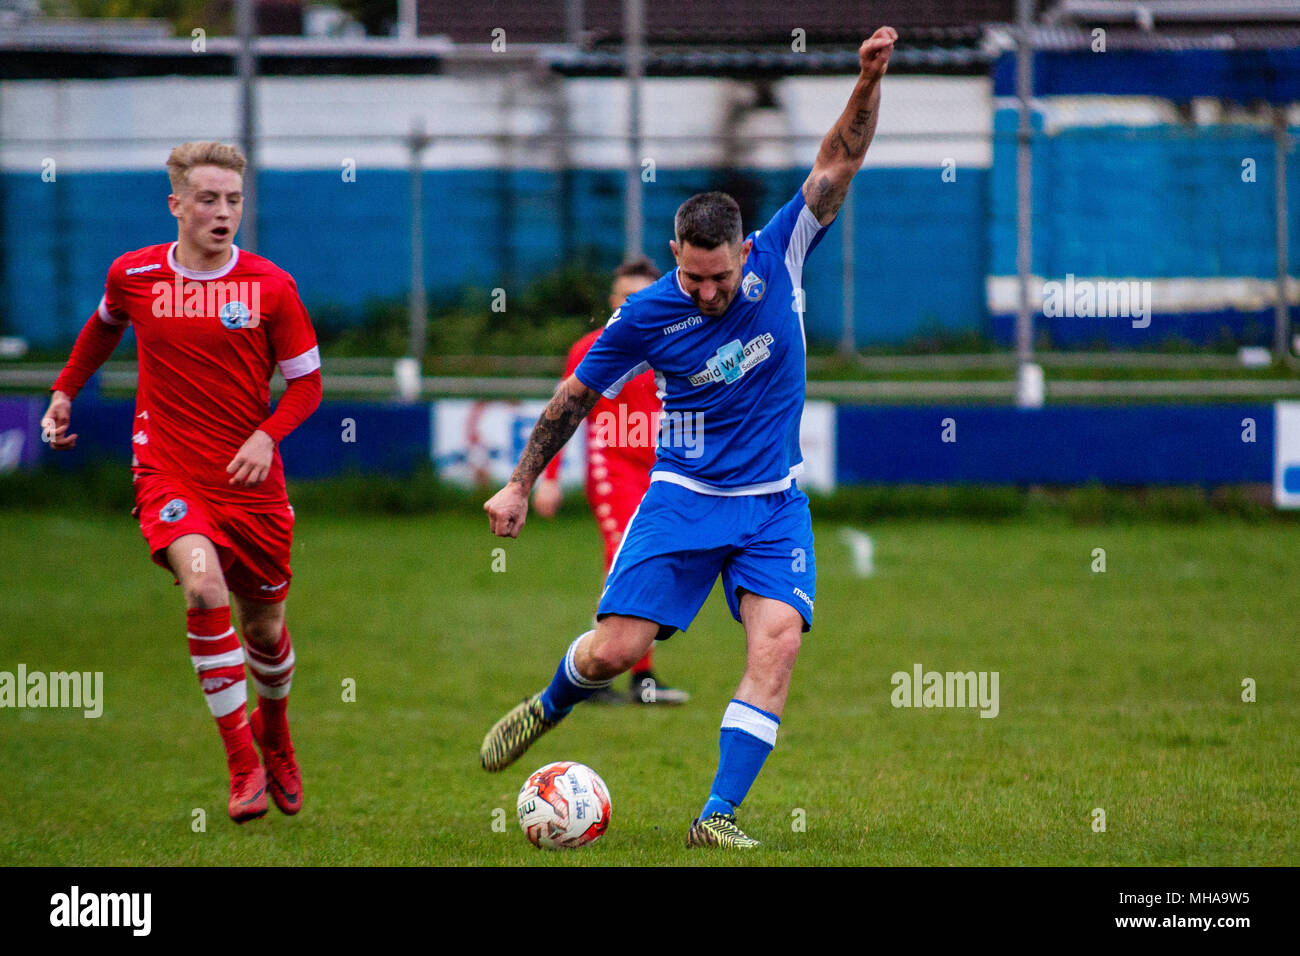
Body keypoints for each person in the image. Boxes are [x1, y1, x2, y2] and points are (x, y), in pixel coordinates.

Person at [480, 28, 897, 848]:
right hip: (682, 501)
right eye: (693, 275)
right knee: (612, 653)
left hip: (774, 505)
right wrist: (522, 480)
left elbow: (838, 162)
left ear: (745, 250)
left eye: (722, 275)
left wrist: (867, 80)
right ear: (675, 255)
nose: (709, 291)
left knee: (777, 644)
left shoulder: (782, 251)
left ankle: (717, 816)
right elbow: (575, 396)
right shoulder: (644, 315)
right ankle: (552, 702)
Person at [42, 141, 322, 824]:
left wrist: (265, 434)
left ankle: (275, 732)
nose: (223, 212)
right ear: (177, 205)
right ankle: (241, 764)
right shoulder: (134, 275)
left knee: (266, 629)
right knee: (201, 587)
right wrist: (64, 391)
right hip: (167, 468)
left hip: (250, 483)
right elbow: (103, 328)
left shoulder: (271, 287)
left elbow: (308, 384)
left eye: (233, 200)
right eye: (208, 199)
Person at [531, 258, 688, 705]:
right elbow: (565, 411)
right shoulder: (591, 346)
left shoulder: (673, 341)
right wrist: (549, 479)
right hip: (612, 466)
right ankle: (595, 676)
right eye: (625, 296)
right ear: (613, 301)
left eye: (644, 295)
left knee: (655, 566)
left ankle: (642, 679)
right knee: (623, 562)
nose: (634, 304)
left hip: (660, 472)